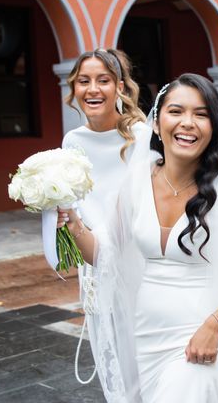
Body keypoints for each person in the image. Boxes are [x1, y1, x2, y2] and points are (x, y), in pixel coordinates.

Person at [58, 74, 218, 402]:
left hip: (200, 333)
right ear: (157, 122)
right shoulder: (134, 184)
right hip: (146, 335)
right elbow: (104, 253)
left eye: (201, 114)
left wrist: (214, 325)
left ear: (214, 127)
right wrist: (71, 220)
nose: (187, 123)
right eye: (176, 111)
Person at [61, 48, 152, 388]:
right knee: (114, 353)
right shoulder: (72, 142)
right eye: (84, 81)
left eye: (103, 80)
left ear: (120, 88)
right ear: (75, 88)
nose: (93, 89)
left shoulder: (141, 136)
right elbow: (77, 205)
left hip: (141, 261)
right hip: (96, 263)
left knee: (146, 354)